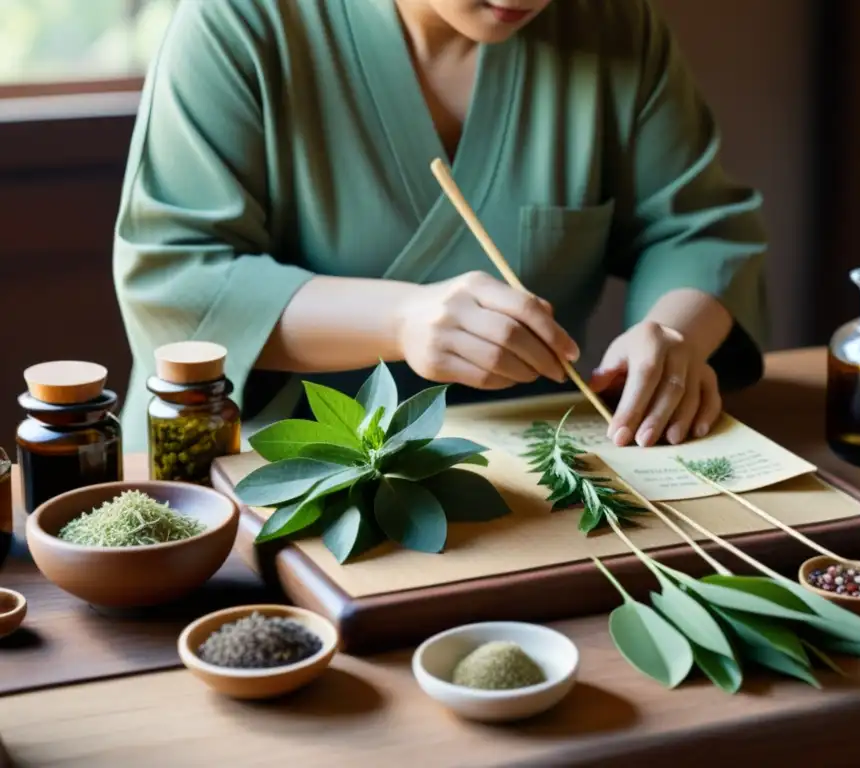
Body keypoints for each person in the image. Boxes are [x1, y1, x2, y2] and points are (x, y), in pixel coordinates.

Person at [113, 0, 769, 454]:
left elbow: (697, 229)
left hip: (534, 474)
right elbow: (178, 278)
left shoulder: (614, 25)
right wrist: (401, 320)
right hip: (250, 477)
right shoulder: (240, 22)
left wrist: (675, 335)